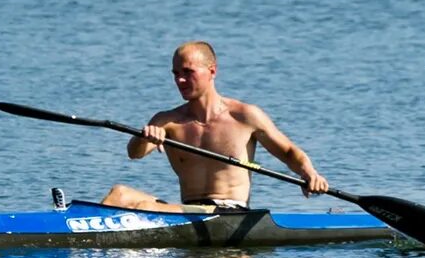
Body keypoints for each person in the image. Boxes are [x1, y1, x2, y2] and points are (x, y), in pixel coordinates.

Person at [100, 41, 330, 214]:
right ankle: (73, 231)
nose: (179, 80)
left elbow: (289, 152)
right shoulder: (167, 120)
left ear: (212, 71)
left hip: (229, 212)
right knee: (119, 193)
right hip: (188, 211)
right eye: (176, 74)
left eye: (188, 72)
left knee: (144, 207)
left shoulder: (245, 116)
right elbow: (134, 153)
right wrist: (145, 137)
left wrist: (309, 173)